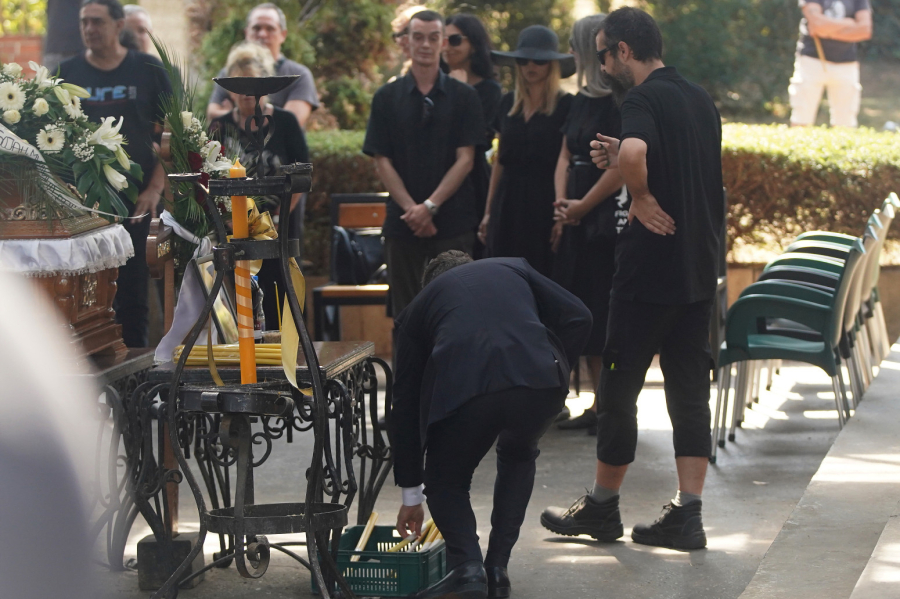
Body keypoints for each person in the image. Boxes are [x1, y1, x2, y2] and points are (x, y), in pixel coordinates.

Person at [541, 7, 724, 551]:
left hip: (647, 274)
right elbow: (667, 159)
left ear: (623, 50)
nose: (601, 66)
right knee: (689, 393)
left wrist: (639, 196)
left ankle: (602, 508)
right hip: (697, 268)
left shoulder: (640, 100)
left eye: (603, 54)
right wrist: (619, 157)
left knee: (618, 389)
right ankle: (688, 514)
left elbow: (642, 152)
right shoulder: (699, 98)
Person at [393, 251, 591, 599]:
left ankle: (468, 569)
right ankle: (497, 569)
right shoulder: (513, 266)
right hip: (540, 381)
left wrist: (412, 492)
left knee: (445, 481)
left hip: (468, 386)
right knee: (518, 454)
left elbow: (405, 404)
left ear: (431, 285)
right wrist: (557, 366)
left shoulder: (417, 308)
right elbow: (580, 316)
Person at [59, 0, 172, 348]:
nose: (89, 29)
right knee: (82, 293)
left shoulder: (148, 70)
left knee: (133, 292)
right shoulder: (67, 72)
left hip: (137, 200)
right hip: (83, 203)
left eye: (97, 21)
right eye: (84, 22)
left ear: (119, 24)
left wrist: (154, 189)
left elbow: (174, 134)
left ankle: (135, 366)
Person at [363, 10, 485, 317]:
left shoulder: (465, 96)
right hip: (403, 223)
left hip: (454, 221)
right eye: (418, 37)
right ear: (406, 42)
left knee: (458, 312)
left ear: (443, 42)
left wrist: (430, 206)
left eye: (433, 38)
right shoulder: (386, 97)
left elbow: (466, 159)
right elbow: (382, 160)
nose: (426, 45)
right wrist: (413, 210)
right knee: (406, 317)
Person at [552, 14, 627, 434]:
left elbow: (619, 167)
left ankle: (609, 403)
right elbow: (565, 153)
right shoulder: (579, 99)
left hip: (602, 215)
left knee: (603, 308)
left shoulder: (618, 102)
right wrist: (563, 204)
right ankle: (598, 402)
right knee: (582, 306)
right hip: (575, 211)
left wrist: (581, 205)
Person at [209, 41, 309, 330]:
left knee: (284, 299)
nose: (247, 95)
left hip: (280, 226)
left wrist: (278, 218)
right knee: (243, 305)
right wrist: (228, 220)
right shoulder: (219, 127)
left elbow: (301, 176)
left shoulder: (286, 123)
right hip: (236, 232)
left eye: (253, 86)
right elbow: (209, 177)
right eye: (240, 87)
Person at [481, 26, 574, 277]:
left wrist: (561, 215)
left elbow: (566, 162)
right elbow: (499, 161)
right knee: (503, 276)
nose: (530, 66)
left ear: (552, 64)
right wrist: (488, 212)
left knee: (542, 275)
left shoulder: (566, 105)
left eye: (539, 60)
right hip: (507, 201)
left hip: (545, 201)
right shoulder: (507, 103)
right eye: (523, 60)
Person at [206, 3, 319, 130]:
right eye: (256, 28)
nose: (262, 34)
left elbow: (289, 124)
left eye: (270, 28)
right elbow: (213, 116)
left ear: (283, 35)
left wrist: (235, 114)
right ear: (246, 32)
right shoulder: (230, 73)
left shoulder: (299, 75)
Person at [443, 13, 501, 259]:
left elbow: (476, 138)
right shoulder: (430, 86)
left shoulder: (489, 90)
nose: (447, 46)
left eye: (455, 39)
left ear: (474, 45)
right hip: (432, 182)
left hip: (472, 186)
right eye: (442, 39)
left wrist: (461, 92)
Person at [789, 0, 872, 128]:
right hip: (811, 61)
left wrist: (826, 31)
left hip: (847, 64)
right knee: (801, 120)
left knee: (845, 125)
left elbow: (864, 30)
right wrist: (849, 23)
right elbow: (816, 24)